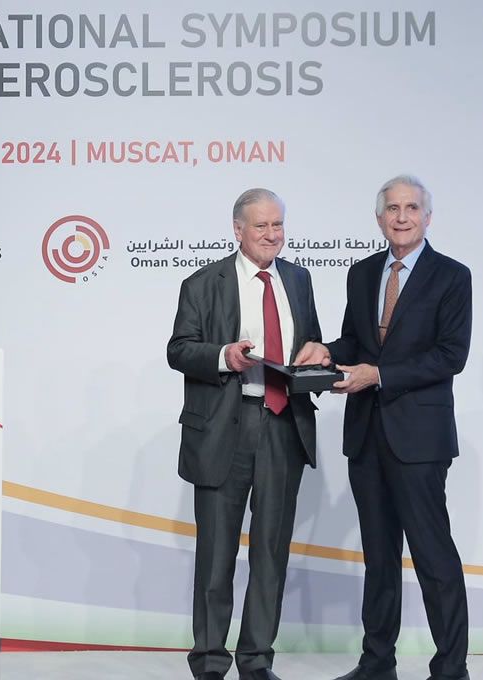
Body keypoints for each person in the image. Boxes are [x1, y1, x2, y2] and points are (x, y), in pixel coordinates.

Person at [295, 175, 472, 680]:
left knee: (434, 557)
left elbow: (450, 356)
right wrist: (329, 351)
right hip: (367, 435)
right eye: (392, 208)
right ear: (379, 218)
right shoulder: (362, 271)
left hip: (420, 440)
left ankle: (450, 669)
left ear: (427, 217)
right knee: (379, 558)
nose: (401, 217)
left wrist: (381, 375)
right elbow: (356, 341)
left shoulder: (452, 276)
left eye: (411, 208)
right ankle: (376, 664)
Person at [167, 188, 322, 680]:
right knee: (216, 554)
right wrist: (223, 356)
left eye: (278, 225)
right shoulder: (201, 283)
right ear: (238, 230)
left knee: (271, 552)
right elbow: (179, 350)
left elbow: (308, 342)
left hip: (283, 425)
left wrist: (317, 356)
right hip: (222, 432)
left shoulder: (299, 278)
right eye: (261, 227)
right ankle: (211, 662)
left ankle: (256, 660)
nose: (272, 235)